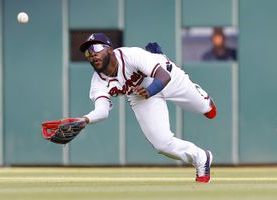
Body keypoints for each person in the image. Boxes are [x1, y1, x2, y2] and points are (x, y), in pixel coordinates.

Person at [73, 33, 217, 183]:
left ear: (110, 49)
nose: (92, 54)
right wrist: (84, 120)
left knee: (206, 109)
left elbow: (163, 76)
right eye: (88, 52)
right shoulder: (98, 83)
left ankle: (198, 93)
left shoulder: (130, 55)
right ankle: (201, 158)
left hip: (166, 75)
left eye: (96, 48)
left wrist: (149, 91)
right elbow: (102, 111)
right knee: (162, 144)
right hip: (140, 94)